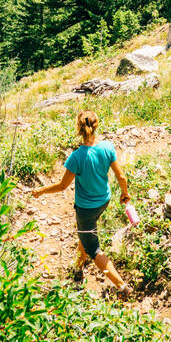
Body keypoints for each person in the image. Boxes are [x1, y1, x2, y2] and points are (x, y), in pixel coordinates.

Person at [32, 110, 131, 300]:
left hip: (86, 208)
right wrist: (125, 193)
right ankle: (78, 268)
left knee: (94, 248)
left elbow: (62, 186)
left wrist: (40, 191)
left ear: (78, 128)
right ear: (96, 125)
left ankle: (122, 287)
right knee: (85, 233)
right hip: (104, 201)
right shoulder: (108, 147)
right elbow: (122, 176)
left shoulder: (76, 157)